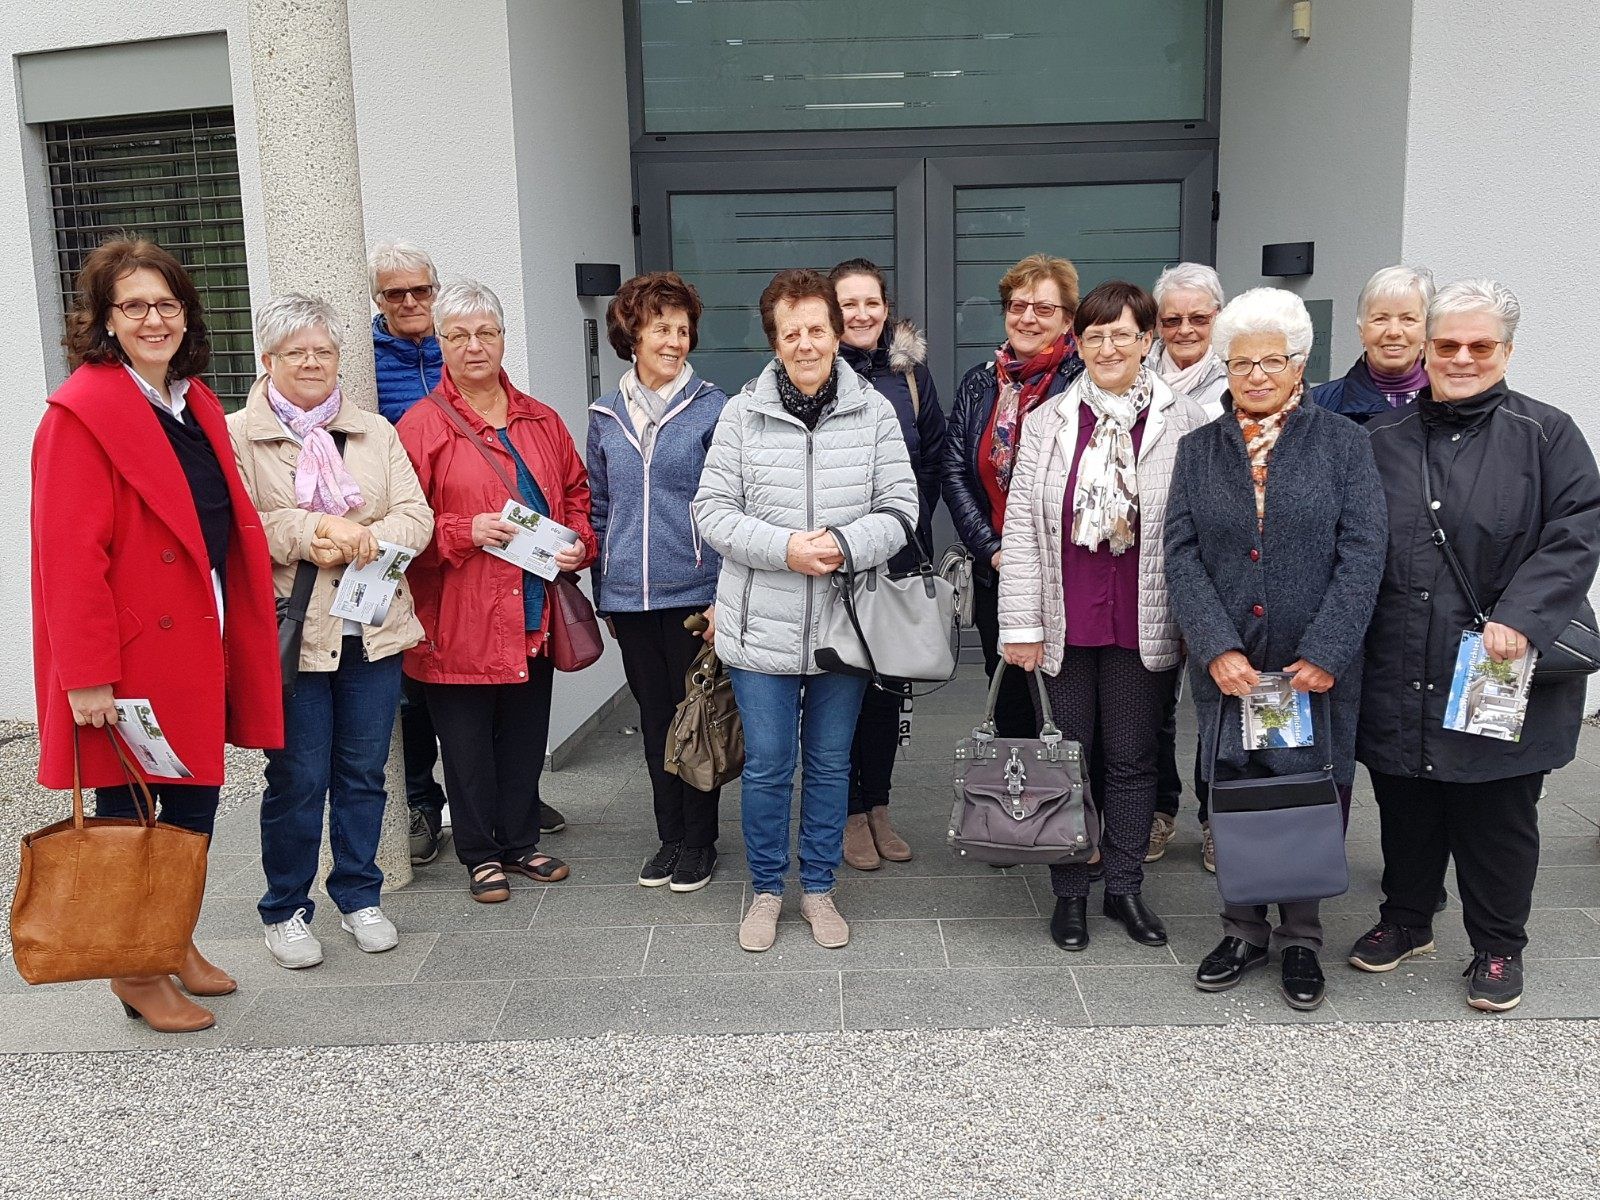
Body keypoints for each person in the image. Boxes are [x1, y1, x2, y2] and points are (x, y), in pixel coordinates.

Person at [30, 237, 281, 1032]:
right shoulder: (83, 414)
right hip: (135, 651)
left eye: (166, 304)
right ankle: (135, 967)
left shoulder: (188, 400)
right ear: (103, 320)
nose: (153, 319)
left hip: (197, 626)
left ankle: (171, 938)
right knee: (139, 809)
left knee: (195, 796)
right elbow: (67, 557)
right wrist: (88, 675)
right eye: (133, 305)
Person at [1350, 279, 1600, 1013]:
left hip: (1498, 663)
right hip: (1402, 657)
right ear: (1426, 347)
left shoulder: (1547, 434)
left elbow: (1575, 532)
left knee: (1496, 812)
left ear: (1507, 351)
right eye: (1447, 343)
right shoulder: (1380, 439)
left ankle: (1497, 944)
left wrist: (1523, 616)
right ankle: (1407, 920)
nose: (1461, 357)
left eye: (1479, 345)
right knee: (1407, 797)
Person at [1164, 287, 1386, 1011]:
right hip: (1232, 668)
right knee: (1236, 792)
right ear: (1225, 369)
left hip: (1311, 669)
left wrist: (1327, 648)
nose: (1256, 374)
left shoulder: (1346, 444)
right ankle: (1241, 929)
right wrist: (1216, 646)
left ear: (1300, 365)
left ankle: (1300, 938)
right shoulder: (1198, 449)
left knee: (1310, 794)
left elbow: (1364, 552)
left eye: (1273, 360)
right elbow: (1182, 552)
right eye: (1242, 362)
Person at [694, 268, 917, 953]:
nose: (806, 342)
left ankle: (817, 888)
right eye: (791, 332)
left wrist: (845, 546)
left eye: (816, 328)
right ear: (775, 340)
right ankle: (766, 890)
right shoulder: (740, 413)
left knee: (827, 764)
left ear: (835, 331)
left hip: (843, 627)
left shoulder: (875, 409)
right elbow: (711, 512)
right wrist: (786, 548)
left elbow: (902, 509)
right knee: (765, 764)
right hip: (760, 625)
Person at [997, 280, 1206, 952]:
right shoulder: (1048, 421)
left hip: (1143, 619)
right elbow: (1024, 533)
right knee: (1067, 760)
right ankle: (1070, 894)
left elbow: (1200, 530)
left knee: (1133, 758)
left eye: (1123, 333)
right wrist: (1019, 628)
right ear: (1077, 344)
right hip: (1065, 617)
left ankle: (1122, 887)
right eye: (1095, 334)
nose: (1109, 345)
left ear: (1148, 340)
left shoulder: (1185, 422)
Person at [228, 293, 434, 970]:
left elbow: (417, 516)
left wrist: (364, 538)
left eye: (324, 350)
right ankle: (284, 909)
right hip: (291, 632)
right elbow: (240, 524)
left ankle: (358, 893)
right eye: (297, 352)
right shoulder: (237, 435)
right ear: (269, 360)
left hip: (370, 626)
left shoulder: (375, 431)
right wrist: (311, 530)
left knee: (364, 771)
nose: (313, 362)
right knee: (297, 776)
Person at [397, 280, 597, 903]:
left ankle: (519, 842)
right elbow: (400, 529)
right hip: (457, 617)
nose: (474, 346)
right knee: (466, 747)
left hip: (531, 614)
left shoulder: (541, 418)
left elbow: (576, 496)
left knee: (523, 735)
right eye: (458, 335)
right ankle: (479, 853)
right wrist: (465, 528)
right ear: (441, 344)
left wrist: (579, 545)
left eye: (486, 332)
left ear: (504, 339)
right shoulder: (422, 425)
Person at [588, 272, 728, 893]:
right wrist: (603, 588)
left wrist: (725, 594)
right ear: (632, 333)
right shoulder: (604, 414)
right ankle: (669, 836)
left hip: (694, 593)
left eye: (681, 328)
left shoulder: (713, 408)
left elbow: (732, 506)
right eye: (660, 327)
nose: (674, 340)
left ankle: (701, 842)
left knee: (694, 717)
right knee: (652, 721)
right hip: (629, 597)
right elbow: (597, 506)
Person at [828, 257, 946, 871]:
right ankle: (846, 810)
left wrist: (903, 526)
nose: (862, 314)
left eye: (871, 301)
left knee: (886, 689)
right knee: (839, 687)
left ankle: (879, 804)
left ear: (886, 306)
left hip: (896, 555)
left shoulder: (913, 377)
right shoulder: (817, 372)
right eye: (848, 303)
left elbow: (931, 460)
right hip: (835, 561)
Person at [942, 254, 1084, 741]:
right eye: (1018, 305)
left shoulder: (1084, 383)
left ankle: (1077, 810)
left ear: (1068, 318)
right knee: (1007, 699)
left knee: (1069, 700)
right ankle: (1020, 810)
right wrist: (992, 550)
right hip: (996, 571)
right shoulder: (981, 383)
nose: (1027, 318)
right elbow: (955, 470)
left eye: (1044, 309)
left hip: (1068, 572)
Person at [366, 241, 460, 865]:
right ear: (378, 300)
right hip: (396, 545)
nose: (408, 302)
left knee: (473, 669)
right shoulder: (366, 364)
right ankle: (421, 803)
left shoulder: (459, 350)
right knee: (408, 686)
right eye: (394, 293)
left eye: (419, 290)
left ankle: (499, 798)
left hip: (461, 540)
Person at [1144, 262, 1228, 867]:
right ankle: (1157, 808)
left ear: (1218, 319)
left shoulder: (1240, 376)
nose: (1185, 328)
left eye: (1199, 317)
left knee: (1219, 697)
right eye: (1171, 318)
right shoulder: (1135, 375)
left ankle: (1216, 816)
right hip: (1150, 562)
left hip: (1217, 564)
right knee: (1152, 700)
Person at [1312, 265, 1435, 423]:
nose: (1393, 332)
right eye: (1380, 319)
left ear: (1427, 330)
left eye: (1408, 319)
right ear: (1361, 331)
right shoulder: (1317, 406)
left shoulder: (1452, 403)